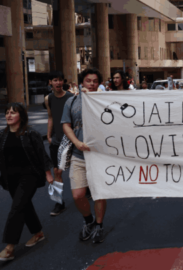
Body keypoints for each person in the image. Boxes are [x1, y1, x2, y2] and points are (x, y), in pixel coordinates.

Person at [0, 103, 54, 261]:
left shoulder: (31, 133)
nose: (9, 115)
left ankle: (9, 248)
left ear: (21, 116)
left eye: (13, 113)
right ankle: (38, 233)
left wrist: (48, 173)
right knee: (24, 206)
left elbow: (41, 155)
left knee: (16, 208)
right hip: (10, 178)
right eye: (7, 112)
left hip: (29, 176)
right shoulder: (3, 135)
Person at [62, 68, 107, 244]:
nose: (92, 84)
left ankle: (99, 225)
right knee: (78, 195)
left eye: (95, 81)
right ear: (82, 83)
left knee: (99, 193)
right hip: (79, 155)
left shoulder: (105, 101)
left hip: (100, 156)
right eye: (89, 81)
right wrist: (77, 143)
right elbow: (66, 125)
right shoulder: (72, 102)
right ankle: (89, 220)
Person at [45, 71, 73, 216]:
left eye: (60, 80)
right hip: (56, 139)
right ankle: (58, 202)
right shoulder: (48, 98)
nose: (58, 83)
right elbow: (50, 117)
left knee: (77, 167)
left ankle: (86, 188)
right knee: (57, 171)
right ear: (50, 82)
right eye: (55, 80)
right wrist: (49, 135)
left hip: (71, 139)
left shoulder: (70, 97)